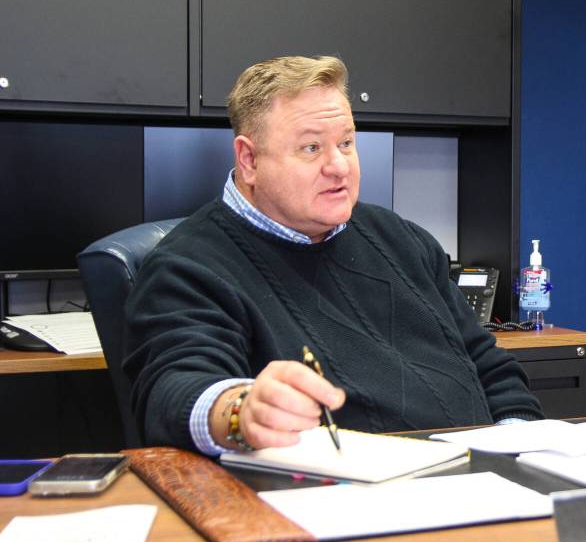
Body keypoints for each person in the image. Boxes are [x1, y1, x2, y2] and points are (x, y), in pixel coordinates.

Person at [123, 55, 544, 454]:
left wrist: (517, 450)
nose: (339, 166)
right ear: (249, 160)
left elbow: (489, 367)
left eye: (345, 143)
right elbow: (172, 392)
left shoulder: (401, 239)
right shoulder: (188, 266)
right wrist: (239, 411)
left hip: (478, 481)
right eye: (311, 148)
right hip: (334, 502)